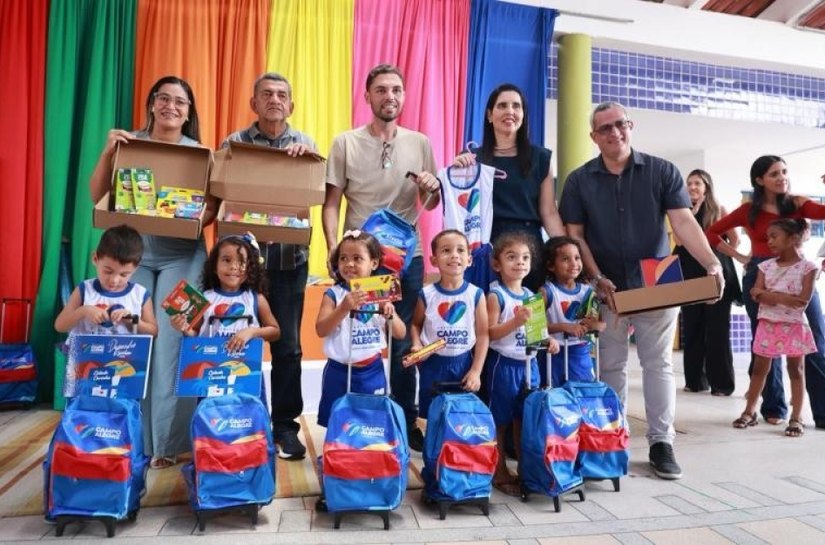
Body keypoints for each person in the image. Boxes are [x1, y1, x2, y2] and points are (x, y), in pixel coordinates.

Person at [559, 101, 724, 481]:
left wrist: (712, 263)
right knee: (611, 366)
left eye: (620, 124)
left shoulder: (662, 171)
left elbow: (683, 223)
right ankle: (612, 438)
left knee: (658, 365)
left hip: (656, 287)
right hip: (607, 289)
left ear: (630, 125)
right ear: (593, 137)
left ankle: (661, 443)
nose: (614, 133)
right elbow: (576, 237)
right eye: (605, 128)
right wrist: (596, 277)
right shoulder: (580, 180)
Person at [88, 76, 211, 470]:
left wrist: (192, 219)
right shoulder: (129, 142)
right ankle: (131, 436)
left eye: (180, 101)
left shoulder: (200, 153)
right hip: (134, 255)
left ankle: (168, 443)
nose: (171, 106)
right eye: (163, 98)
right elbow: (96, 195)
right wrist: (108, 152)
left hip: (185, 255)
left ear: (189, 112)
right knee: (131, 342)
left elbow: (214, 206)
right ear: (151, 104)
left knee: (175, 344)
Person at [322, 63, 440, 451]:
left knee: (402, 343)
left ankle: (404, 420)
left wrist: (430, 187)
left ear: (403, 96)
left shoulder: (420, 142)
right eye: (381, 90)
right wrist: (331, 248)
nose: (390, 96)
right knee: (359, 337)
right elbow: (331, 204)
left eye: (396, 90)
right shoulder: (345, 142)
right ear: (368, 95)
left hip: (407, 259)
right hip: (361, 261)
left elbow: (432, 200)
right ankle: (351, 419)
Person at [222, 72, 317, 460]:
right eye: (266, 94)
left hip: (288, 261)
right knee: (229, 340)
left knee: (288, 347)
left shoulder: (306, 144)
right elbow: (221, 195)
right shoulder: (234, 144)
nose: (274, 99)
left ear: (290, 105)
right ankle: (233, 420)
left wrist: (301, 162)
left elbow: (309, 197)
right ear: (254, 104)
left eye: (282, 94)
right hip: (240, 266)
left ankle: (284, 428)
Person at [707, 156, 825, 429]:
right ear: (759, 180)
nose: (782, 177)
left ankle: (821, 411)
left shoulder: (796, 203)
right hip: (761, 273)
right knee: (766, 346)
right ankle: (773, 407)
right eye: (774, 174)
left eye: (784, 172)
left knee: (816, 340)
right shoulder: (749, 210)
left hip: (798, 273)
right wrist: (739, 256)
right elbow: (712, 232)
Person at [452, 83, 564, 291]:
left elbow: (549, 212)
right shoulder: (470, 159)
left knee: (531, 318)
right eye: (502, 105)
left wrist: (563, 249)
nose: (510, 111)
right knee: (486, 317)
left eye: (516, 106)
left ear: (523, 114)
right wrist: (458, 170)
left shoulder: (541, 158)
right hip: (484, 248)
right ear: (489, 115)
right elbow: (457, 210)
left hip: (529, 252)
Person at [485, 231, 559, 495]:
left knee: (524, 418)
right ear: (497, 264)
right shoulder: (496, 296)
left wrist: (548, 339)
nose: (520, 262)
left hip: (530, 366)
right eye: (512, 257)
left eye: (525, 257)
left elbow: (536, 331)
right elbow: (489, 333)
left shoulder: (531, 295)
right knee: (500, 421)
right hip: (503, 366)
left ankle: (527, 469)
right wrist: (514, 322)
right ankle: (499, 470)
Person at [732, 218, 816, 438]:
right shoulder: (764, 266)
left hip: (794, 326)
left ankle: (796, 418)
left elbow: (801, 301)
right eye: (767, 236)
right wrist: (782, 297)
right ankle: (749, 411)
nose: (769, 241)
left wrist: (769, 295)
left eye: (774, 236)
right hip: (768, 325)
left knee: (796, 370)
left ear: (793, 239)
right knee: (760, 369)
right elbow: (754, 293)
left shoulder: (808, 268)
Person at [314, 230, 406, 428]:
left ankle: (366, 454)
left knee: (371, 419)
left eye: (357, 258)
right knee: (337, 417)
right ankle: (335, 452)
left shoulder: (381, 290)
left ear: (373, 263)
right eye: (343, 258)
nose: (349, 264)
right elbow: (321, 329)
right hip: (338, 370)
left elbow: (400, 333)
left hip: (372, 370)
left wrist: (390, 314)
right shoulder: (334, 294)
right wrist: (343, 308)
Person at [674, 169, 742, 396]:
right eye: (689, 183)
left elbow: (736, 238)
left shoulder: (718, 210)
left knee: (717, 331)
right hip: (689, 275)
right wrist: (691, 212)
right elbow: (680, 241)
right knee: (692, 328)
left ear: (707, 188)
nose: (692, 187)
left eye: (697, 183)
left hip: (715, 275)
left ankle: (721, 384)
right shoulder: (680, 211)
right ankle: (695, 381)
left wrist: (719, 249)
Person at [410, 230, 488, 420]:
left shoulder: (476, 294)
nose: (454, 255)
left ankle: (458, 451)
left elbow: (483, 335)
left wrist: (476, 371)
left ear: (469, 259)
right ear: (434, 260)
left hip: (464, 365)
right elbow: (415, 324)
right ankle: (432, 449)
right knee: (431, 417)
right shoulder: (426, 294)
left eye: (461, 250)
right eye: (446, 250)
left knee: (462, 419)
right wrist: (416, 344)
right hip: (433, 365)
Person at [55, 225, 158, 339]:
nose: (114, 280)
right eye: (108, 271)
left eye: (123, 275)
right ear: (95, 259)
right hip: (87, 355)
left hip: (124, 355)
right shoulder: (84, 289)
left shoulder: (140, 294)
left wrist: (132, 321)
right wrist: (84, 311)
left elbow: (153, 332)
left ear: (135, 269)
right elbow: (60, 326)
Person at [540, 236, 605, 388]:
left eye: (577, 258)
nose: (574, 263)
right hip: (554, 354)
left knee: (582, 395)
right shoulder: (546, 292)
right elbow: (536, 328)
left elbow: (598, 323)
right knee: (556, 398)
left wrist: (596, 325)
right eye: (565, 259)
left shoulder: (589, 292)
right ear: (551, 265)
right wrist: (565, 327)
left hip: (580, 354)